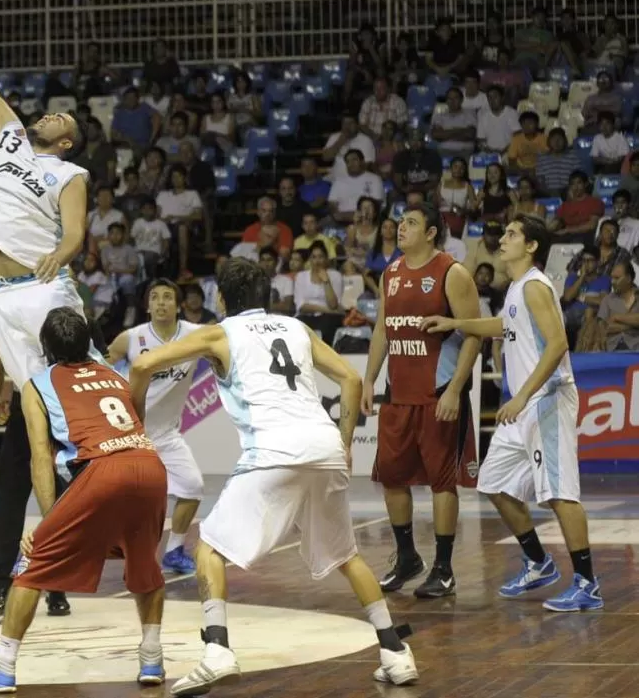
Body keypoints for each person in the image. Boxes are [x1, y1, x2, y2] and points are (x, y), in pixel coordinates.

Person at [129, 258, 418, 695]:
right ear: (267, 297)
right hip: (323, 447)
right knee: (346, 556)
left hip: (274, 450)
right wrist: (343, 443)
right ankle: (396, 653)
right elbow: (351, 379)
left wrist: (134, 424)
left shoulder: (218, 333)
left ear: (221, 299)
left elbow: (140, 367)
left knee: (208, 549)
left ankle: (217, 651)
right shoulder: (297, 328)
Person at [0, 0, 102, 619]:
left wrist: (64, 255)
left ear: (67, 141)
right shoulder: (10, 135)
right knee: (27, 436)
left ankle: (46, 568)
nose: (51, 113)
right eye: (51, 111)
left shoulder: (71, 172)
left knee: (65, 436)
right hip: (1, 300)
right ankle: (41, 574)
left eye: (62, 118)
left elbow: (74, 233)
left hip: (45, 297)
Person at [0, 308, 168, 693]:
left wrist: (48, 522)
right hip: (149, 465)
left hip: (102, 470)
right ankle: (153, 658)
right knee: (145, 565)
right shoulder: (113, 374)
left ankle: (3, 666)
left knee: (32, 562)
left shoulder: (37, 386)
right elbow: (135, 423)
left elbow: (41, 458)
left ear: (45, 348)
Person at [420, 214, 603, 612]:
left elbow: (557, 346)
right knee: (493, 482)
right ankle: (538, 562)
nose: (502, 239)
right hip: (524, 405)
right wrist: (455, 321)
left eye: (512, 234)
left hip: (546, 399)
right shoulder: (518, 288)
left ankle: (588, 584)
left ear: (532, 245)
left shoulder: (536, 286)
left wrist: (521, 397)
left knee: (560, 494)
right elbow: (504, 324)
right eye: (503, 232)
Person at [362, 202, 482, 598]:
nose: (401, 229)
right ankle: (407, 556)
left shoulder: (452, 272)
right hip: (399, 395)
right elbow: (383, 326)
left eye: (411, 223)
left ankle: (444, 569)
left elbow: (474, 335)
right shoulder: (391, 272)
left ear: (431, 232)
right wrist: (368, 379)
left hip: (438, 394)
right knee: (392, 478)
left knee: (441, 483)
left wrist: (454, 389)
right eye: (400, 223)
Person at [107, 279, 204, 574]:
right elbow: (103, 365)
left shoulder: (195, 335)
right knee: (130, 501)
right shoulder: (131, 339)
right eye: (155, 298)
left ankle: (174, 551)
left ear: (178, 306)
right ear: (147, 307)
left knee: (193, 487)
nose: (161, 302)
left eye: (167, 297)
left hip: (168, 435)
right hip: (131, 435)